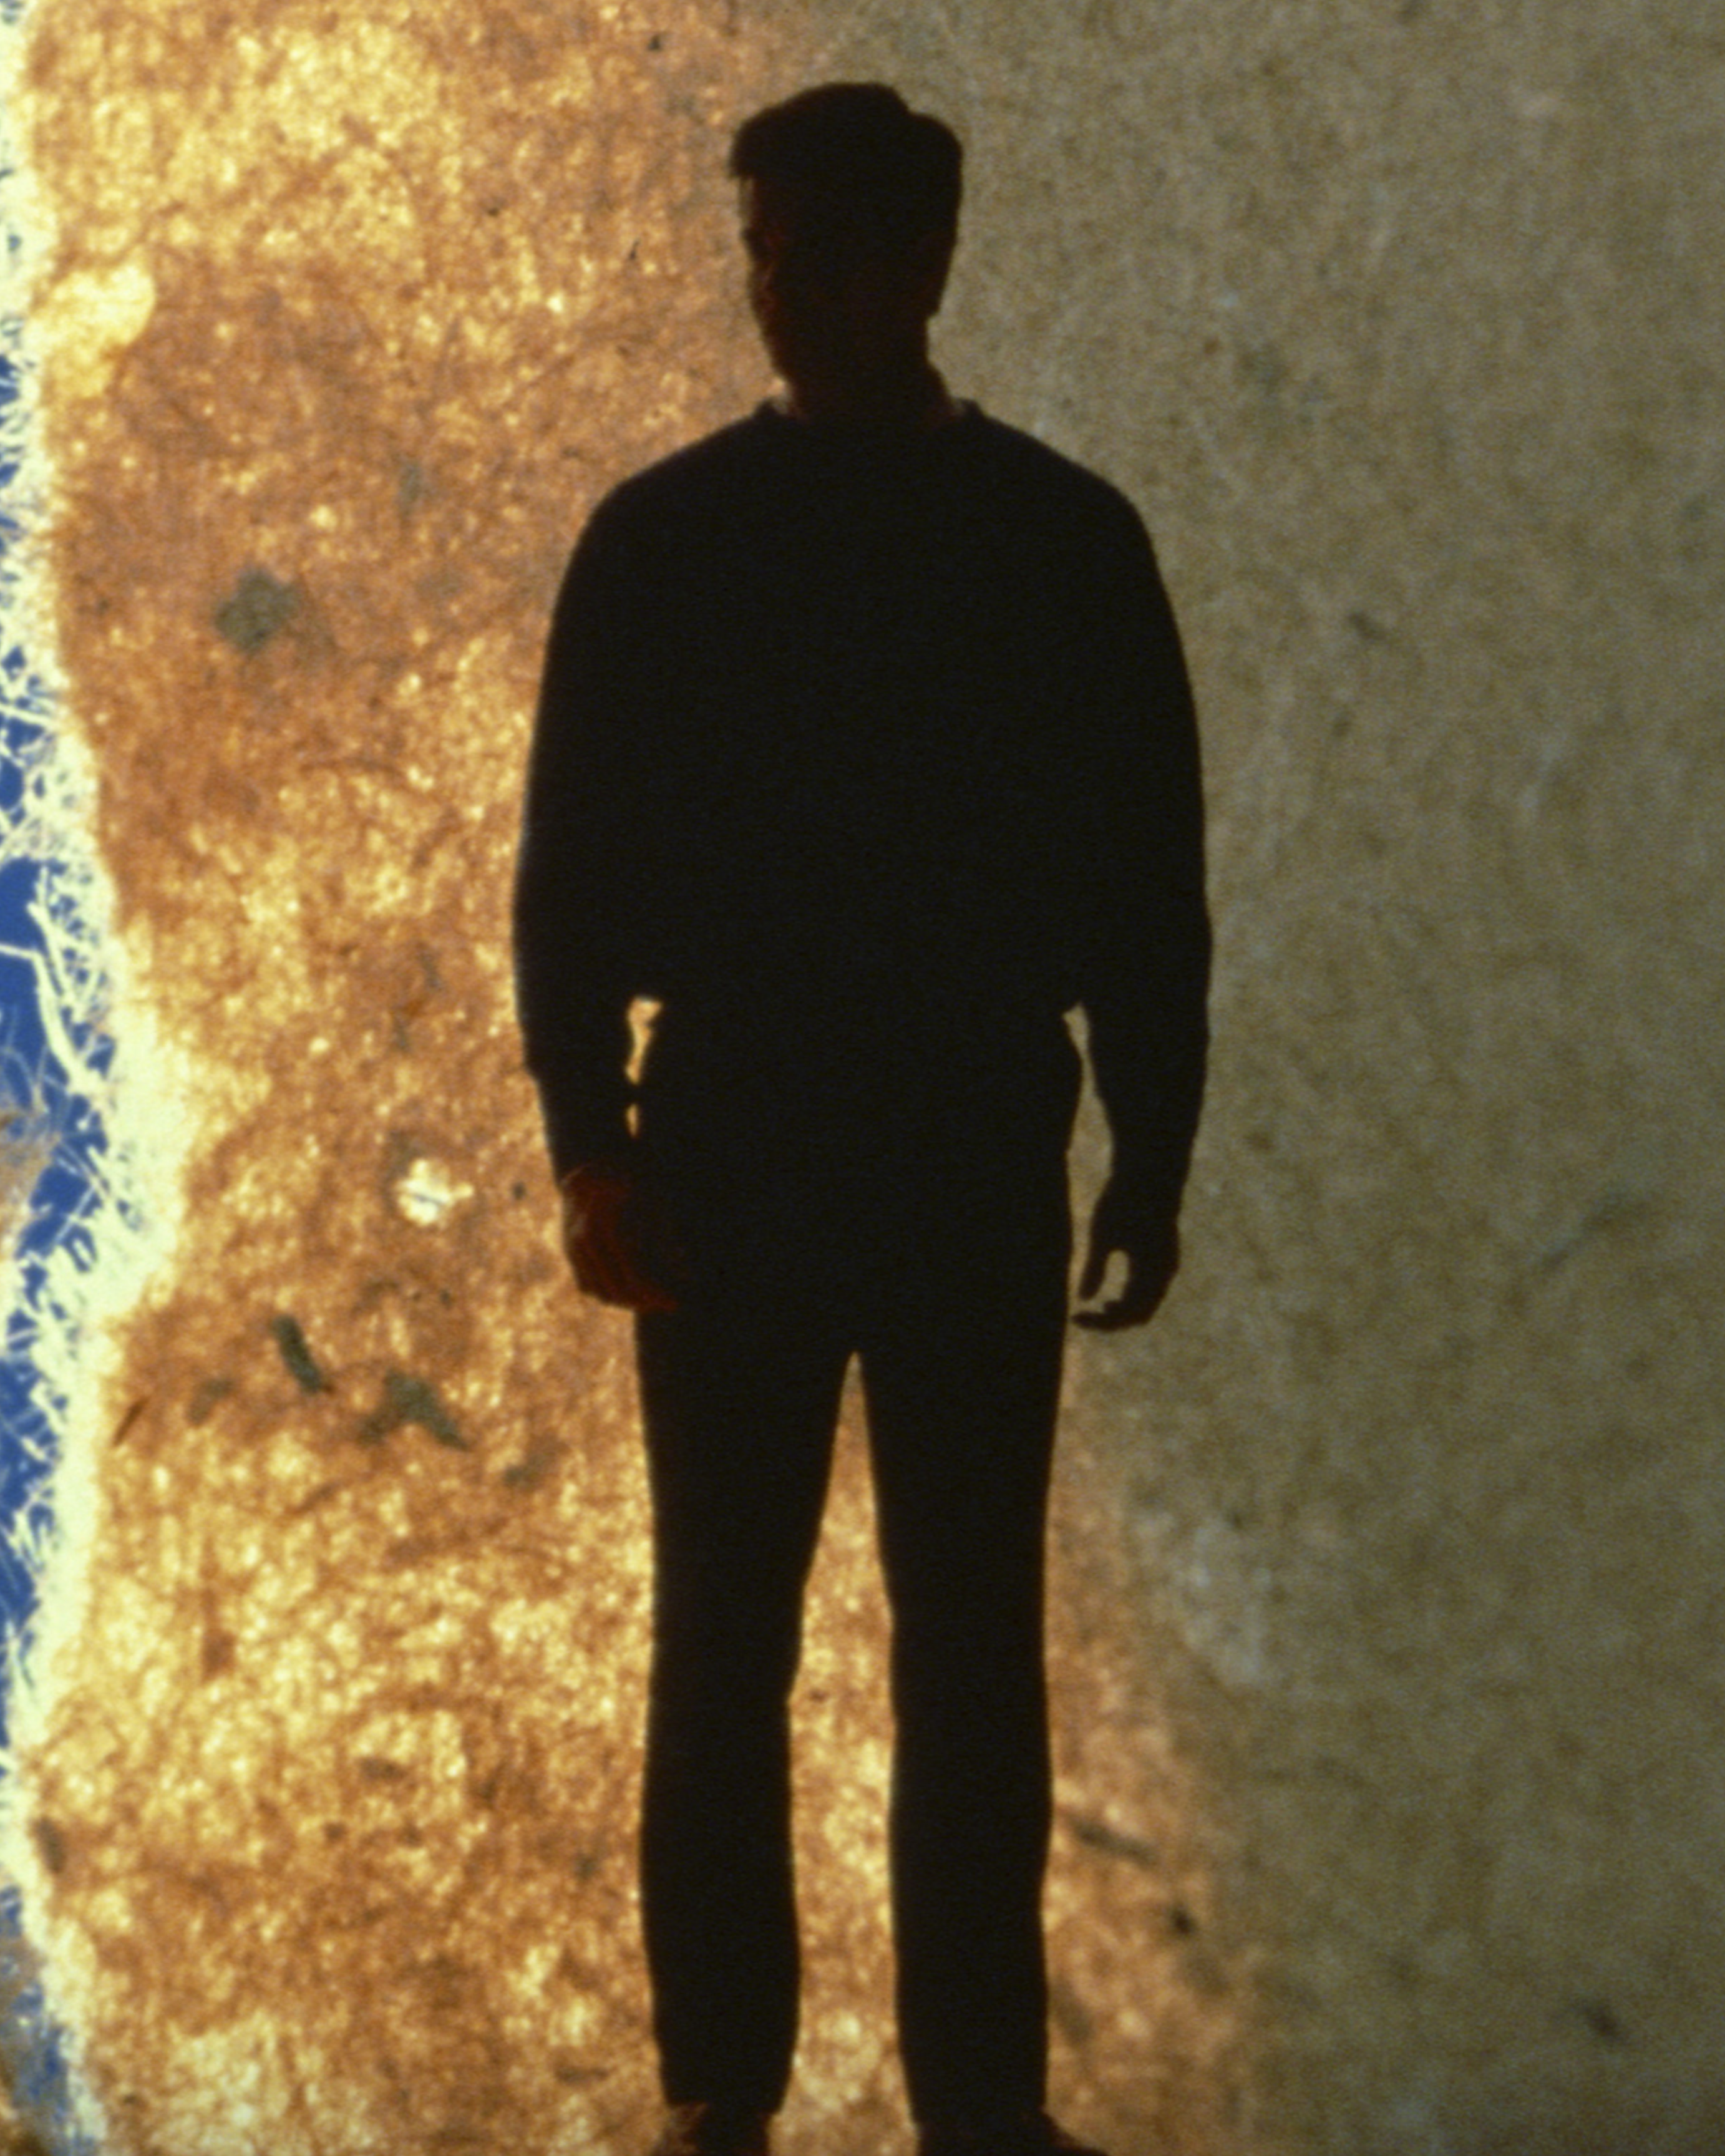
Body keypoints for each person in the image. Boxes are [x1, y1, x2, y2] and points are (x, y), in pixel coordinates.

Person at [509, 84, 1210, 2156]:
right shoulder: (697, 538)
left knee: (957, 1636)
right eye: (762, 252)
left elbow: (1148, 882)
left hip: (941, 1141)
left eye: (815, 251)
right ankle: (729, 2093)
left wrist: (1154, 1145)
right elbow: (563, 876)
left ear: (922, 266)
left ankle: (972, 2103)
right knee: (732, 1628)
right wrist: (584, 1136)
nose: (780, 293)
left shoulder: (1052, 544)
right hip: (758, 1143)